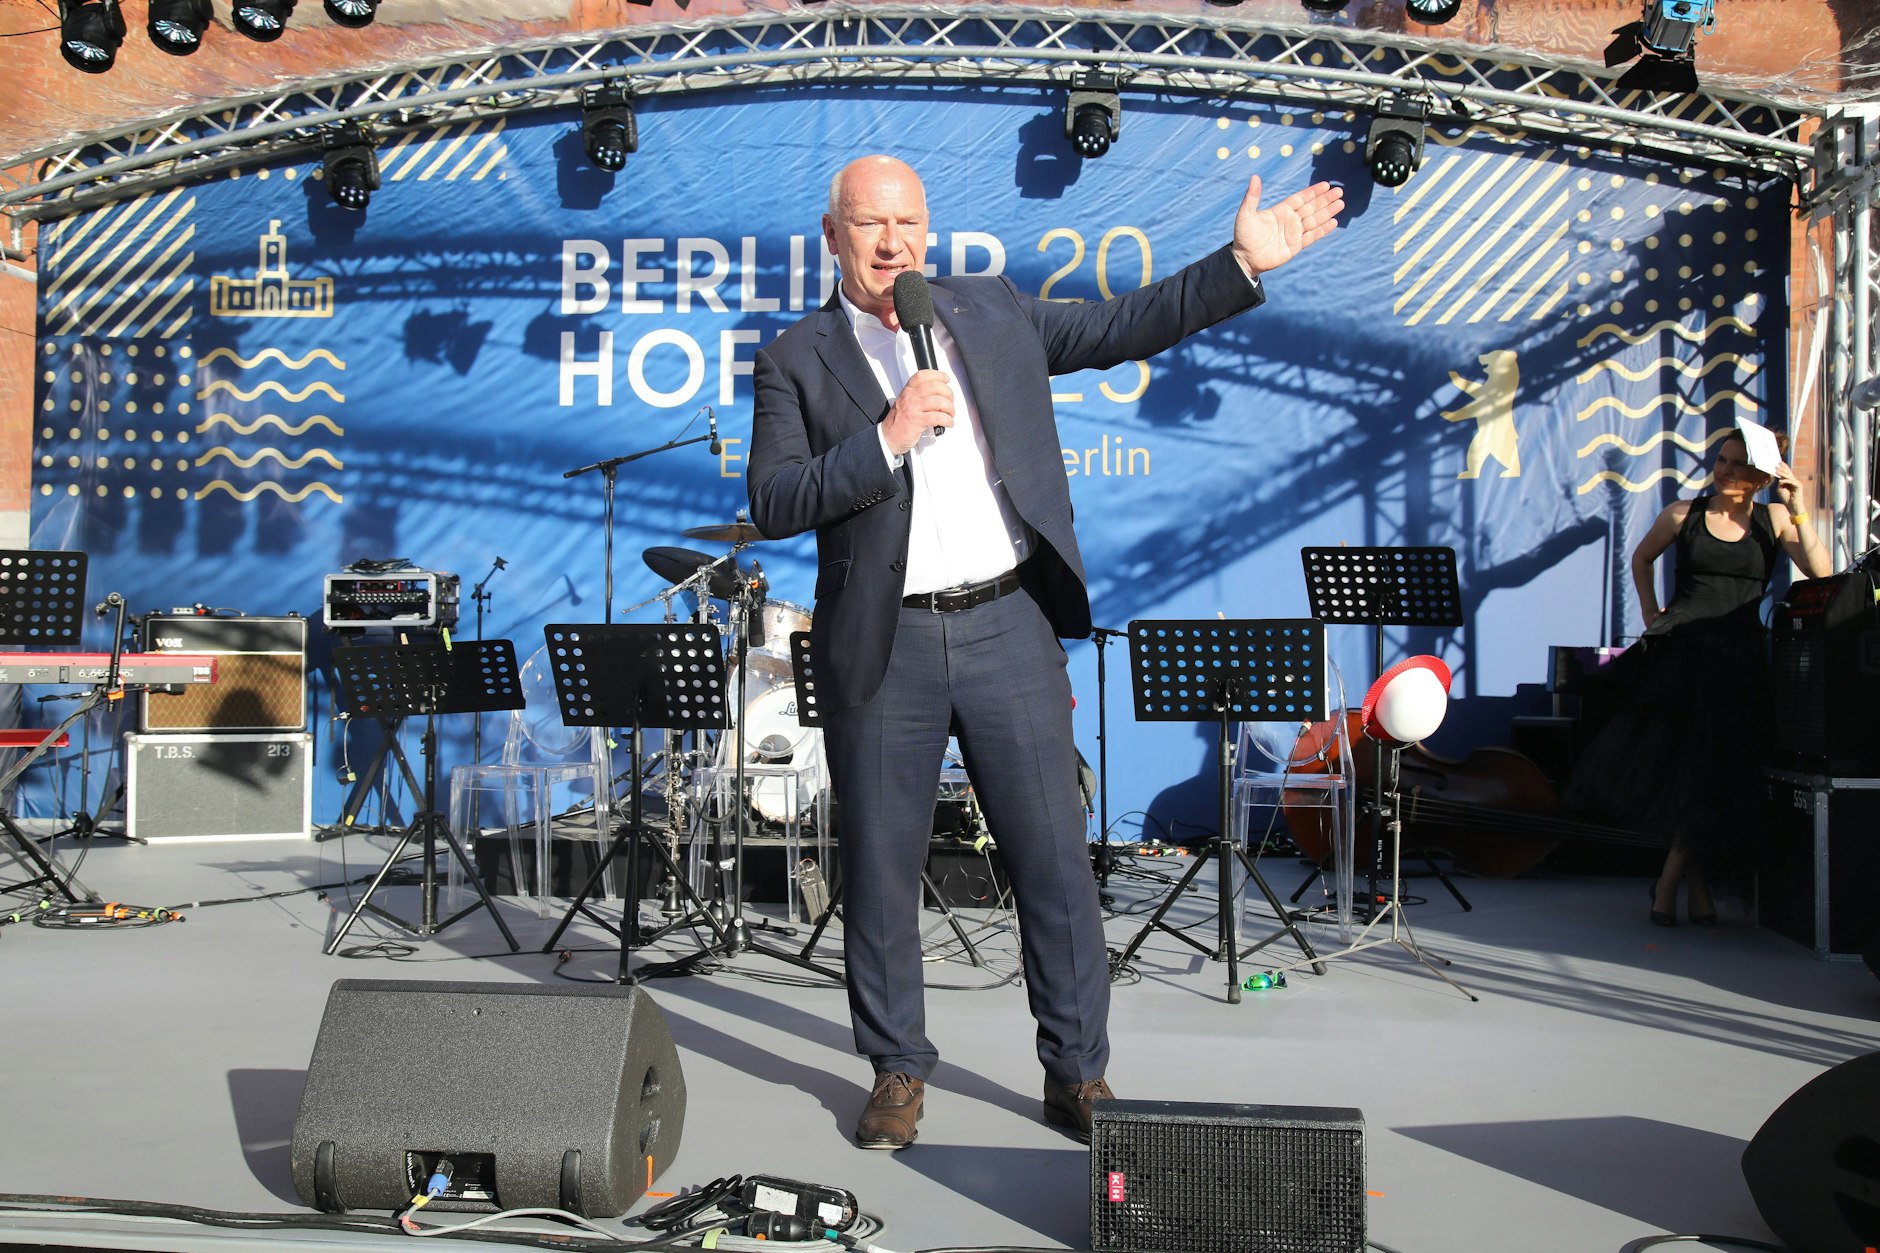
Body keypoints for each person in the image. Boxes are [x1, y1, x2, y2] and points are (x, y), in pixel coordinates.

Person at [746, 154, 1343, 1148]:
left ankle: (1076, 1069)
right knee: (883, 870)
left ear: (927, 230)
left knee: (1055, 863)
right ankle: (897, 1066)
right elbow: (772, 500)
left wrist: (1239, 262)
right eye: (868, 226)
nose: (891, 244)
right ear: (831, 233)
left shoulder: (988, 310)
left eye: (907, 224)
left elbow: (1120, 325)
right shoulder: (796, 357)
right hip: (880, 642)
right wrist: (886, 438)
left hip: (1004, 626)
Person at [1565, 430, 1831, 926]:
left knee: (1717, 775)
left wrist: (1797, 506)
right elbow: (1642, 557)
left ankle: (1689, 885)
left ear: (1760, 476)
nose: (1724, 470)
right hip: (1682, 658)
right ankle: (1672, 887)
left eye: (1736, 465)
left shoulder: (1773, 518)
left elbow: (1821, 572)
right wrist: (1649, 610)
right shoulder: (1683, 514)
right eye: (1721, 460)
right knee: (1691, 775)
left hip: (1739, 661)